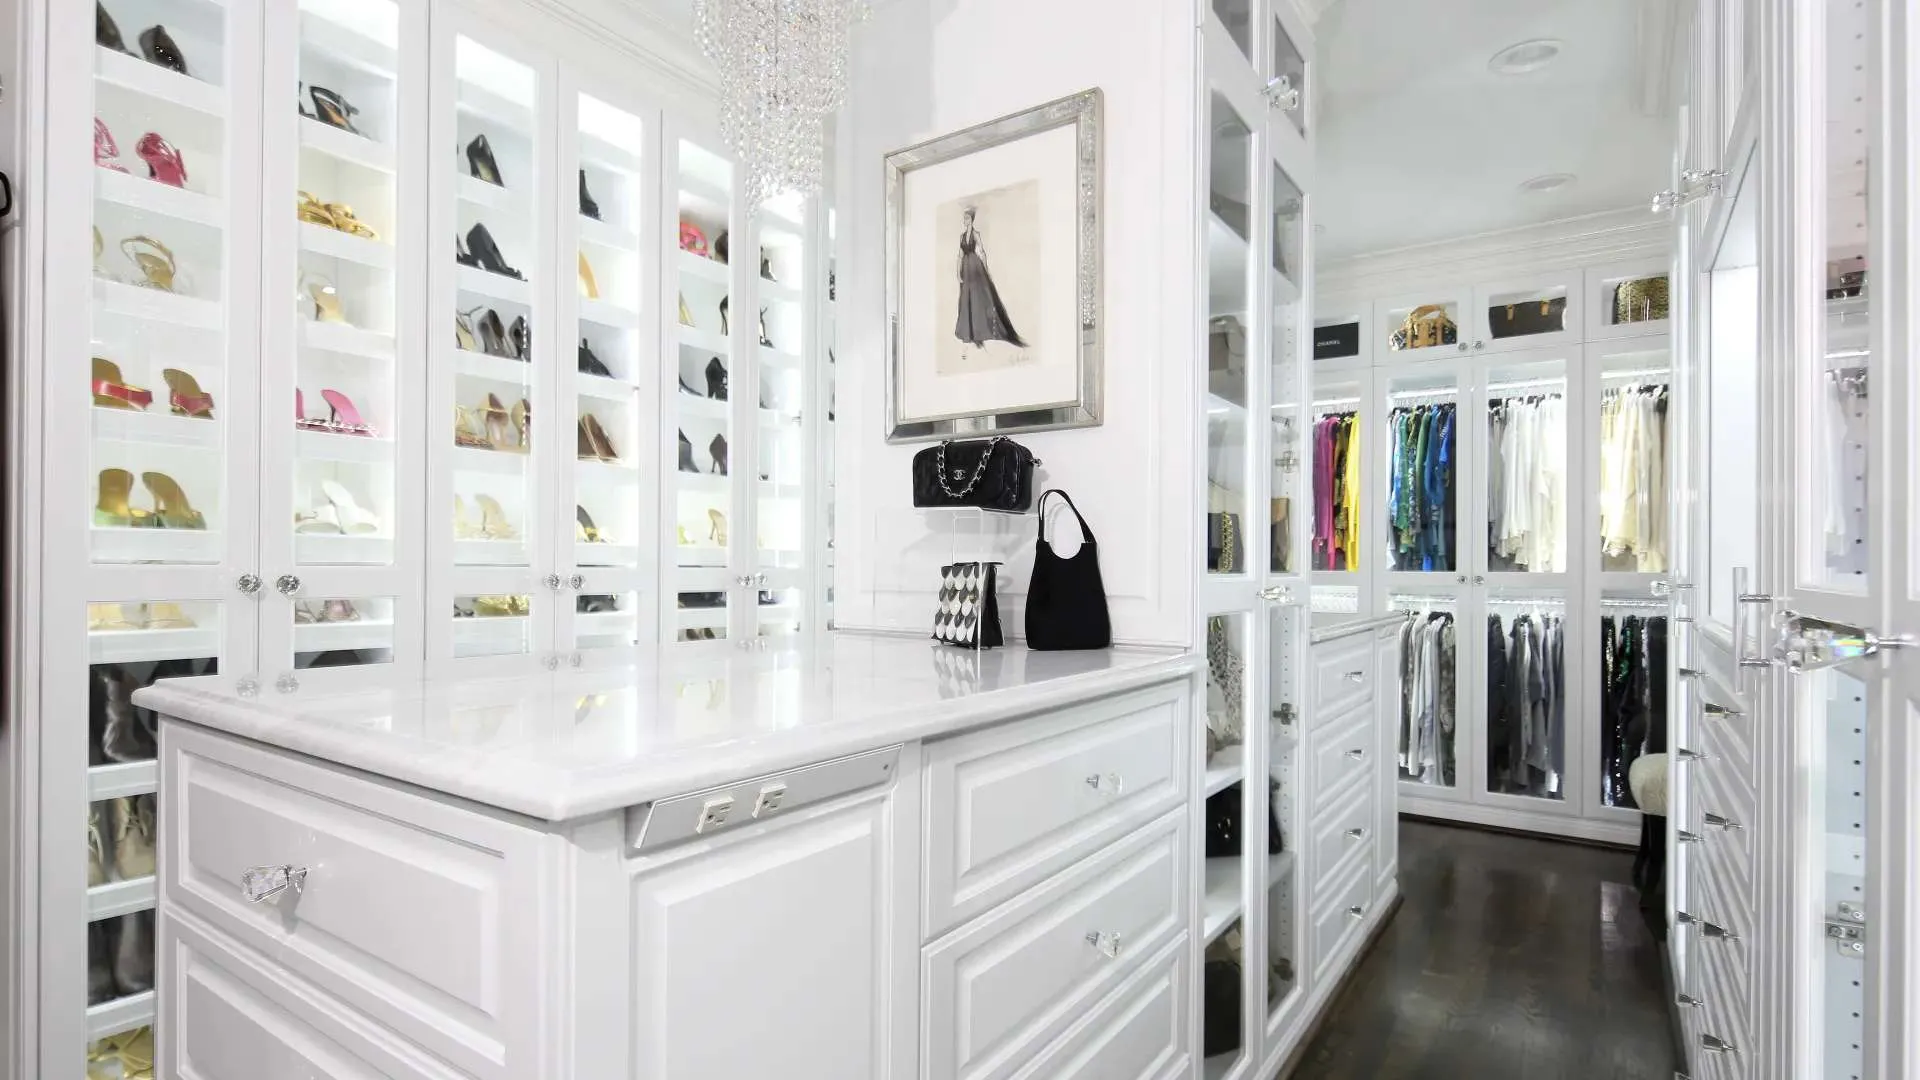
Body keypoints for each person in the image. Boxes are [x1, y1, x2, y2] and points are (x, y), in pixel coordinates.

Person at [954, 206, 1026, 348]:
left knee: (978, 298)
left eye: (967, 218)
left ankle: (979, 332)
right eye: (964, 218)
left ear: (972, 220)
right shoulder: (961, 237)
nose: (965, 220)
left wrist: (985, 269)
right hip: (966, 270)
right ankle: (969, 333)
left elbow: (982, 252)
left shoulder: (976, 234)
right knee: (966, 299)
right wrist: (957, 273)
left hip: (976, 268)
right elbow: (960, 256)